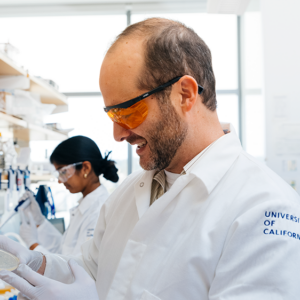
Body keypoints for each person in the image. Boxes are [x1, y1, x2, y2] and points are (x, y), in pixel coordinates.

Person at [1, 17, 300, 300]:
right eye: (111, 114)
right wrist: (33, 263)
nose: (118, 134)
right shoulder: (128, 195)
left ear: (185, 94)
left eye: (127, 112)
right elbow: (90, 269)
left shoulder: (263, 209)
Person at [19, 135, 118, 256]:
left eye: (63, 171)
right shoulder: (84, 206)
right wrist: (39, 222)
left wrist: (33, 245)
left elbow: (76, 268)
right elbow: (64, 250)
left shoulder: (98, 211)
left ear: (85, 168)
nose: (60, 180)